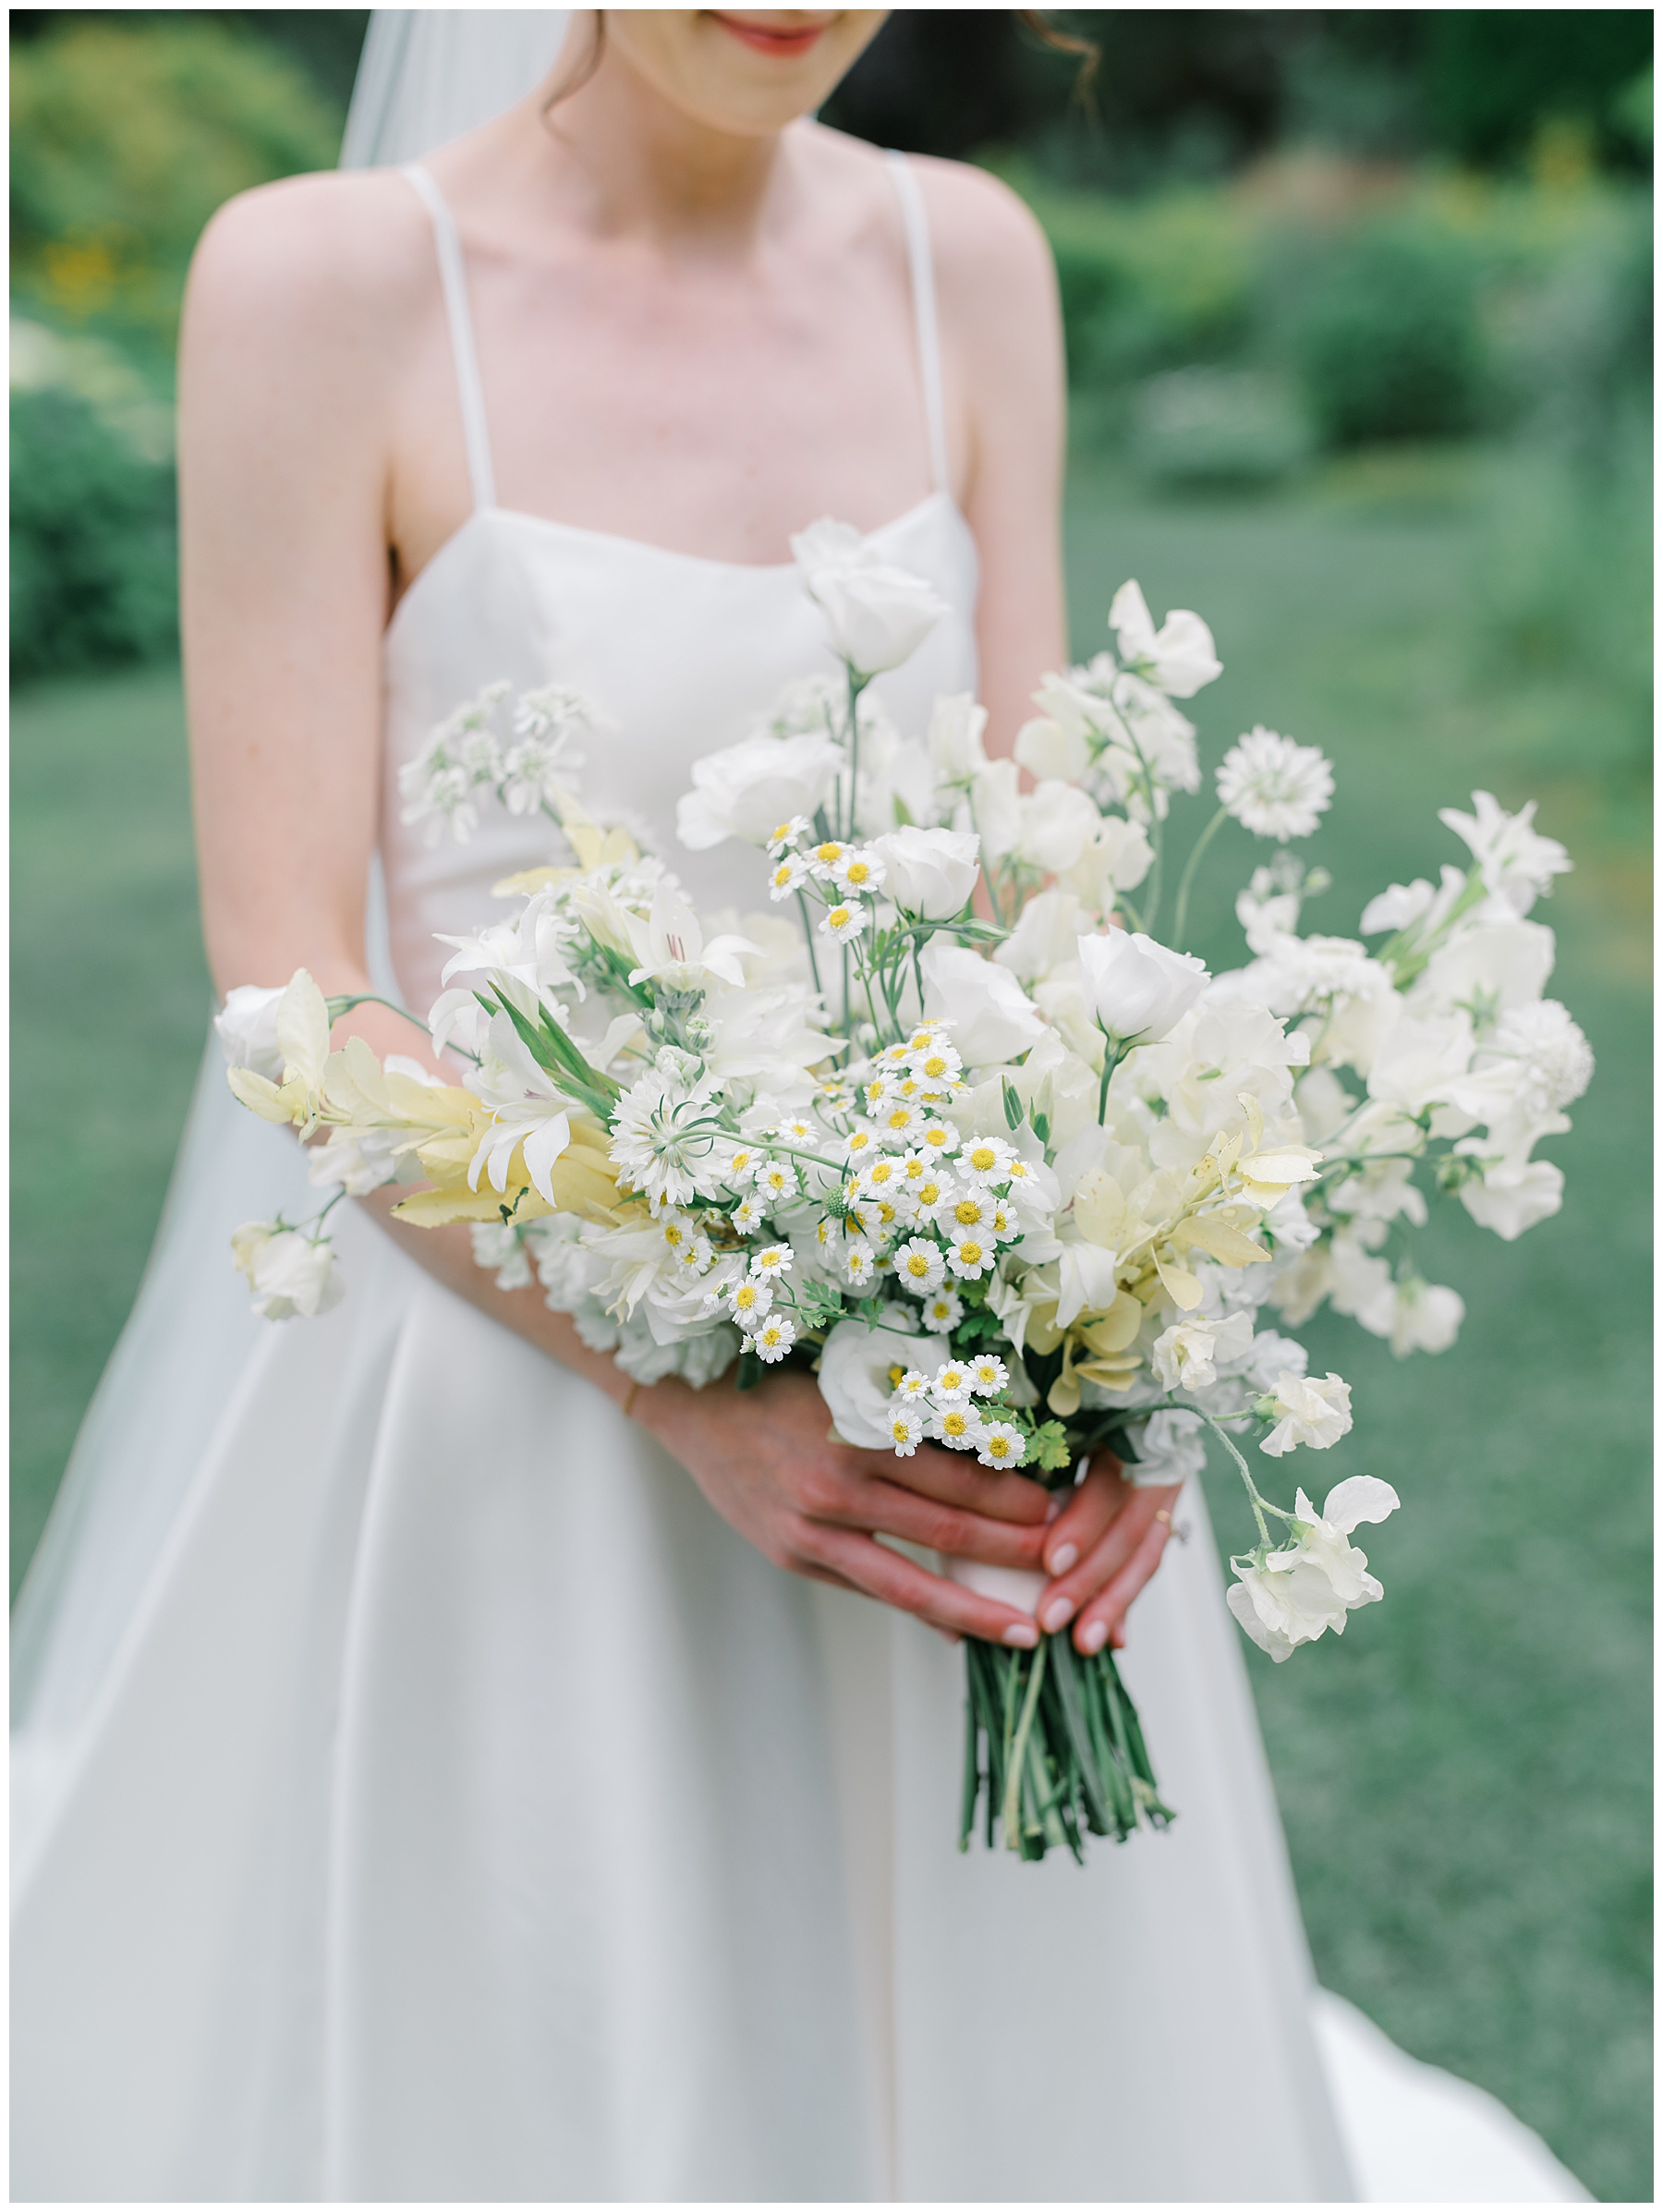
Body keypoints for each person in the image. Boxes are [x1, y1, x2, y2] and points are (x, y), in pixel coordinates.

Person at [11, 12, 1588, 2204]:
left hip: (964, 1403)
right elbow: (293, 983)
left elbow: (1059, 885)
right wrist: (684, 1371)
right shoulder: (323, 285)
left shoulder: (975, 258)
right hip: (517, 1417)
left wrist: (1123, 1343)